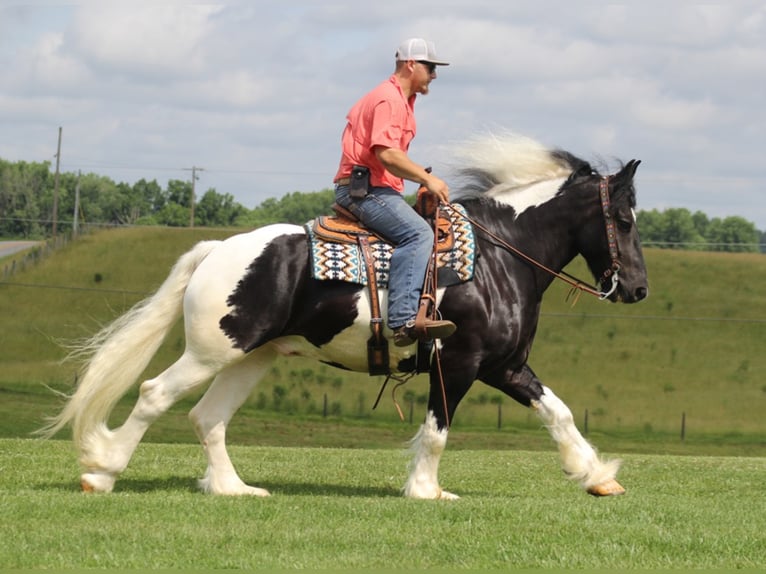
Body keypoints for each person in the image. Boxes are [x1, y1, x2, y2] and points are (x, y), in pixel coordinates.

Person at [333, 38, 457, 347]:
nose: (434, 75)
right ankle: (403, 320)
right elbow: (387, 155)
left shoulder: (401, 100)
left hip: (375, 187)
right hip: (364, 190)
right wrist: (428, 180)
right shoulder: (389, 99)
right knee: (419, 235)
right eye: (430, 68)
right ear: (410, 65)